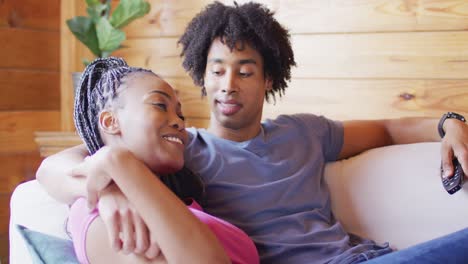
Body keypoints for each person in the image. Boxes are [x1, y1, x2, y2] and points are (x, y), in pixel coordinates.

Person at [37, 2, 468, 263]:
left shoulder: (306, 133)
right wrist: (108, 188)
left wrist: (450, 123)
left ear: (267, 81)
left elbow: (389, 129)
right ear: (202, 78)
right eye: (217, 71)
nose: (228, 84)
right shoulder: (183, 147)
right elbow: (58, 165)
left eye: (245, 72)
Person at [63, 57, 259, 263]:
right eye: (159, 105)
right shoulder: (105, 215)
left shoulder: (168, 198)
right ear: (110, 121)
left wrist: (117, 164)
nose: (179, 122)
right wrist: (118, 161)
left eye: (180, 114)